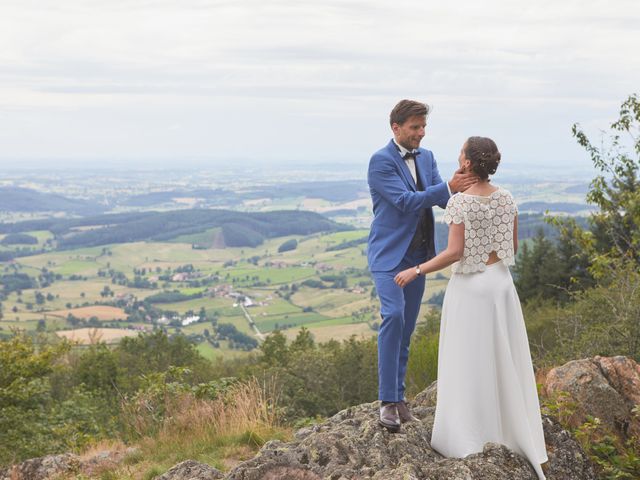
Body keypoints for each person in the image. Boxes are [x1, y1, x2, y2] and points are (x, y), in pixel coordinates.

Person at [394, 136, 548, 479]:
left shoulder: (461, 202)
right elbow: (513, 247)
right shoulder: (507, 198)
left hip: (471, 289)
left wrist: (416, 269)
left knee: (467, 360)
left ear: (467, 163)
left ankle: (466, 437)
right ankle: (510, 432)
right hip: (501, 284)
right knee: (502, 358)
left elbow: (454, 253)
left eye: (461, 153)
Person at [367, 100, 477, 433]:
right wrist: (448, 187)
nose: (421, 133)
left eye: (423, 127)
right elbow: (404, 202)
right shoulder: (380, 162)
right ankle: (386, 402)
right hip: (389, 257)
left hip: (419, 258)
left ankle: (399, 398)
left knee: (407, 329)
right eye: (415, 127)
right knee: (394, 316)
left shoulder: (426, 157)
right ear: (396, 127)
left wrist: (479, 193)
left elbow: (445, 199)